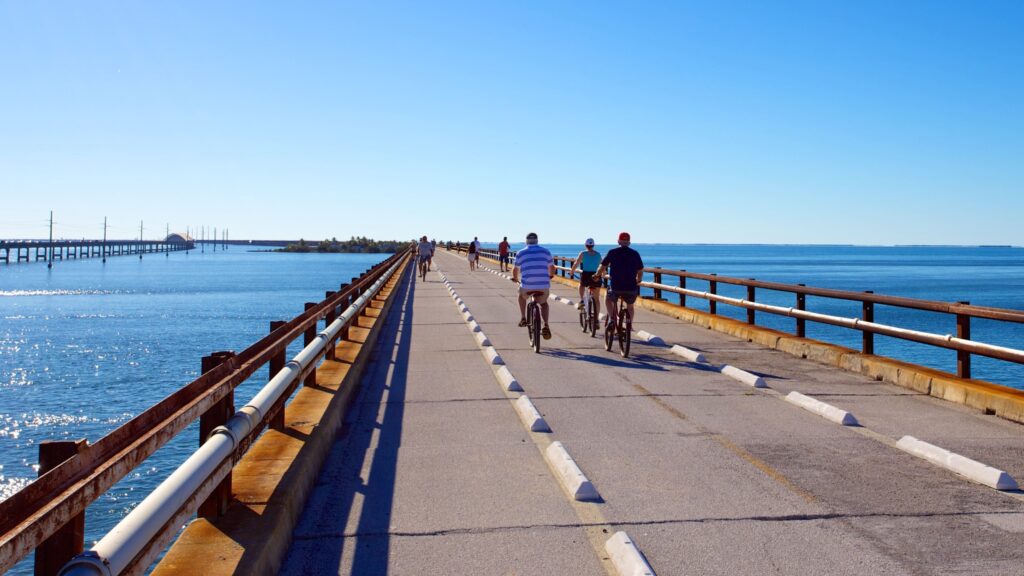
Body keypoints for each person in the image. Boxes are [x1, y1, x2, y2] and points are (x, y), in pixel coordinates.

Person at [594, 232, 644, 332]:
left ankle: (612, 319)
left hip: (616, 286)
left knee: (608, 299)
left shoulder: (612, 252)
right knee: (630, 306)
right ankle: (629, 325)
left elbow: (602, 266)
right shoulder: (635, 253)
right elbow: (640, 269)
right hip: (631, 287)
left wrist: (597, 275)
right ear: (629, 243)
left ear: (618, 241)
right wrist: (638, 279)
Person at [511, 232, 555, 339]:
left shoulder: (521, 253)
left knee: (521, 296)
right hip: (543, 285)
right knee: (544, 304)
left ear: (526, 241)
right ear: (537, 241)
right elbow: (552, 268)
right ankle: (546, 324)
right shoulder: (546, 251)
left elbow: (515, 269)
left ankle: (523, 318)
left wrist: (516, 278)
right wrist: (550, 276)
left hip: (527, 285)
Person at [569, 238, 602, 317]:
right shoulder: (598, 254)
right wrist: (604, 273)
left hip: (586, 275)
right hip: (596, 275)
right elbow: (602, 265)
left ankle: (582, 300)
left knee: (581, 285)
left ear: (585, 245)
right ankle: (596, 319)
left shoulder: (583, 253)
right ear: (593, 245)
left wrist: (572, 271)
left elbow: (576, 263)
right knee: (596, 300)